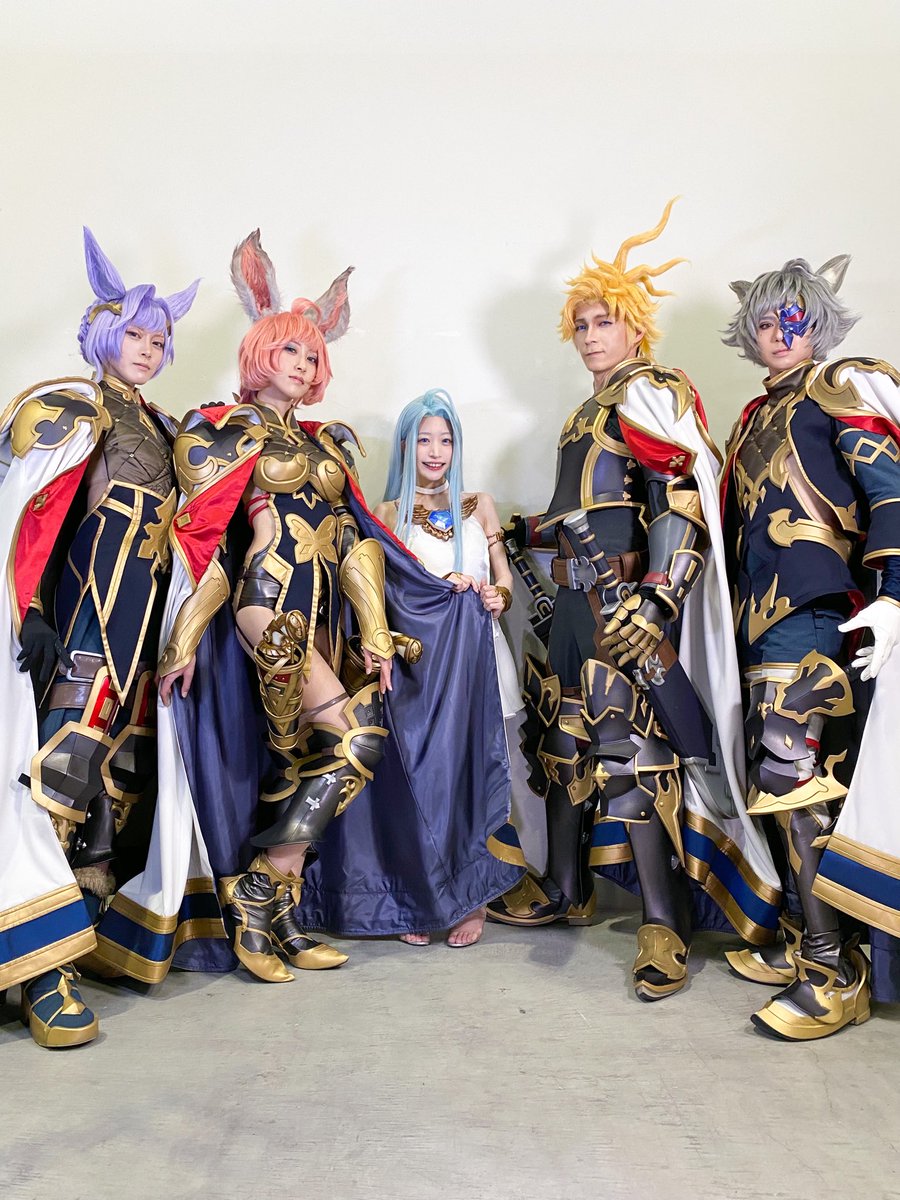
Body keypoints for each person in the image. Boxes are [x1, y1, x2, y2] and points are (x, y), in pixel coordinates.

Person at [488, 200, 781, 1001]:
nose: (591, 335)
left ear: (635, 327)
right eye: (581, 324)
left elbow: (678, 497)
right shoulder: (586, 411)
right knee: (561, 745)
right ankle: (564, 886)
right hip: (571, 605)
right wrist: (512, 531)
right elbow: (576, 513)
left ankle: (661, 918)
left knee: (632, 753)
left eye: (605, 322)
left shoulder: (651, 392)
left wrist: (658, 600)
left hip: (623, 605)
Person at [150, 230, 394, 984]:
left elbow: (355, 542)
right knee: (356, 743)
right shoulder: (221, 428)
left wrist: (377, 632)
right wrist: (184, 638)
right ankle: (257, 891)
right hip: (264, 602)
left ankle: (276, 917)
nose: (302, 364)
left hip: (321, 614)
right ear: (260, 351)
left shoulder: (329, 444)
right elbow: (200, 538)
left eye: (312, 356)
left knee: (298, 766)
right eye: (290, 350)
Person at [0, 228, 198, 1047]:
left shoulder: (165, 425)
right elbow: (33, 512)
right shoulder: (72, 409)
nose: (149, 348)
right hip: (83, 621)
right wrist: (29, 610)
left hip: (145, 629)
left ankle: (77, 941)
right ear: (103, 331)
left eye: (159, 338)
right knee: (60, 771)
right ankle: (38, 971)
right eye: (137, 333)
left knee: (115, 783)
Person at [721, 255, 900, 1039]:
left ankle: (834, 971)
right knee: (774, 783)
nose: (778, 334)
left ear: (819, 325)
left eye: (792, 320)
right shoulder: (752, 418)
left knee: (793, 779)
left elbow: (891, 491)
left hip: (823, 610)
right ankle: (806, 939)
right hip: (757, 618)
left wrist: (895, 595)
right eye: (764, 321)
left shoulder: (841, 388)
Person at [364, 388, 522, 946]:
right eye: (424, 440)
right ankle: (419, 897)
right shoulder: (386, 513)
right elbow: (380, 593)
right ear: (406, 446)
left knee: (472, 774)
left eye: (445, 440)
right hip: (418, 667)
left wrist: (498, 595)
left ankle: (472, 900)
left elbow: (503, 575)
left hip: (479, 657)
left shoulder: (480, 504)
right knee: (416, 781)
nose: (435, 451)